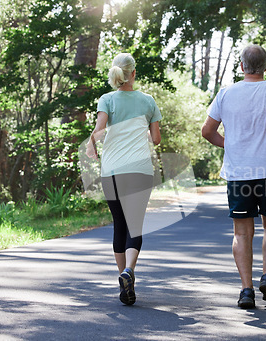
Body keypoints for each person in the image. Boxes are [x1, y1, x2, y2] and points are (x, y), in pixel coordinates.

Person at [201, 44, 266, 309]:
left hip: (239, 174)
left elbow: (207, 131)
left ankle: (246, 290)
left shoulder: (226, 93)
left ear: (242, 66)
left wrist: (231, 144)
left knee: (242, 232)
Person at [86, 53, 161, 305]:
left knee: (119, 224)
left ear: (116, 73)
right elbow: (157, 138)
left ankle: (123, 279)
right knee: (135, 224)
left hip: (112, 171)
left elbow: (99, 131)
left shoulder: (106, 100)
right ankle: (129, 271)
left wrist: (91, 143)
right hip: (139, 170)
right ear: (134, 74)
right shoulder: (148, 101)